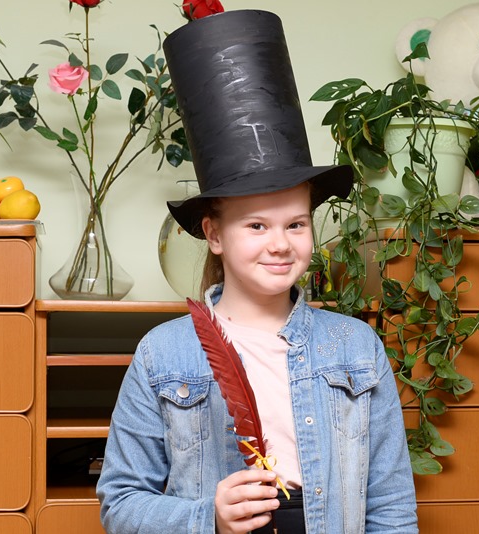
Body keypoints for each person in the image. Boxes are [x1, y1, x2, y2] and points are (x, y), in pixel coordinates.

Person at [97, 9, 418, 534]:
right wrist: (208, 516)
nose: (280, 244)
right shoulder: (163, 354)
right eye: (256, 226)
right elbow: (121, 505)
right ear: (215, 234)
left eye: (296, 224)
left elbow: (391, 506)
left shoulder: (356, 347)